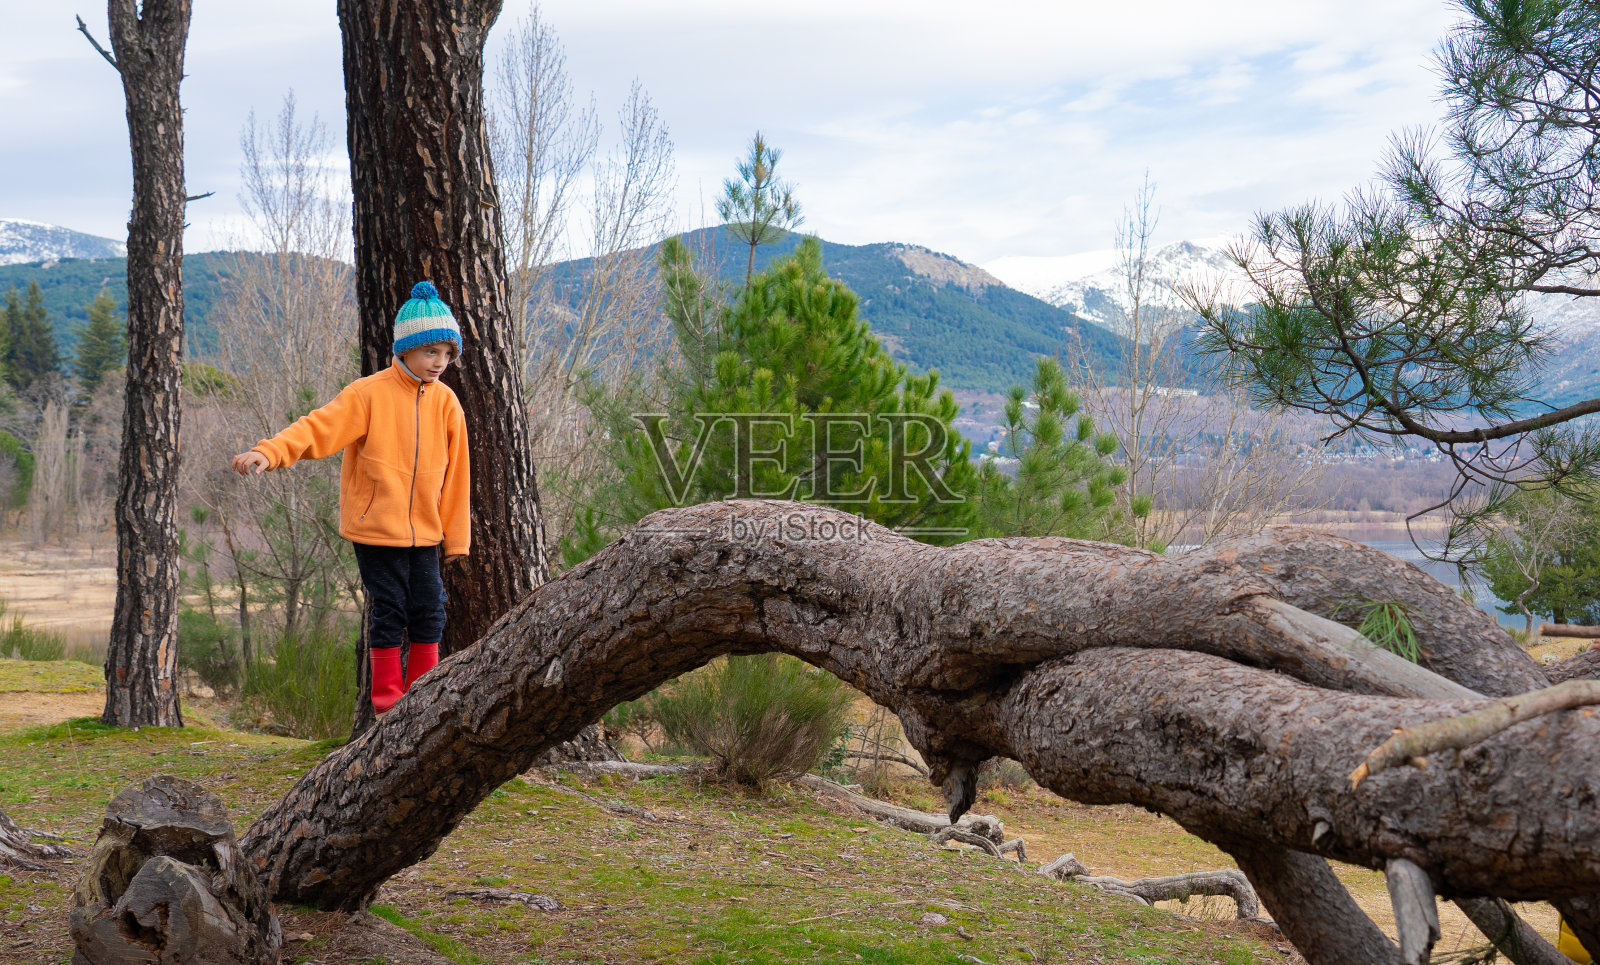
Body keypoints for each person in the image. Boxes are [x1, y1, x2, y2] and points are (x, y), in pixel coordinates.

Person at [230, 281, 470, 714]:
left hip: (426, 534)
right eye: (431, 351)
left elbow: (457, 478)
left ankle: (422, 703)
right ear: (406, 348)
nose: (440, 362)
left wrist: (456, 540)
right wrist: (269, 452)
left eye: (447, 354)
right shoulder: (368, 393)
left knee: (430, 612)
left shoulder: (448, 403)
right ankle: (386, 705)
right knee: (390, 612)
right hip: (376, 529)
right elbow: (316, 428)